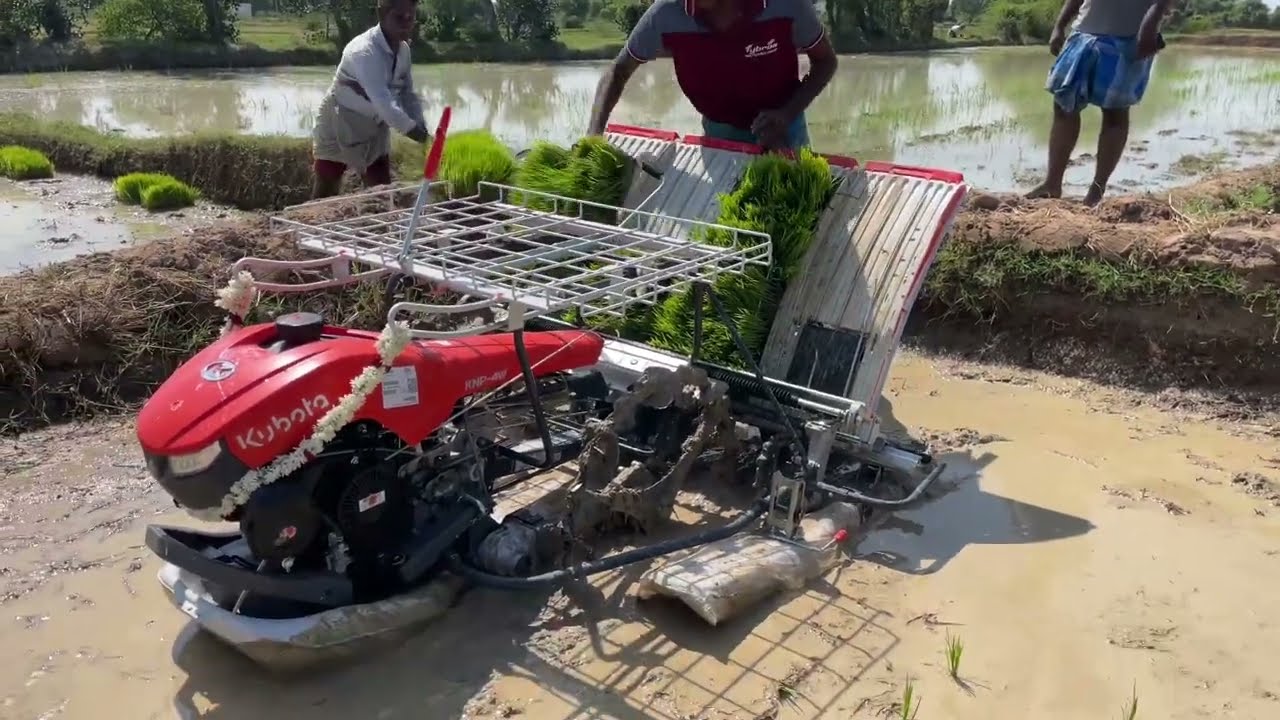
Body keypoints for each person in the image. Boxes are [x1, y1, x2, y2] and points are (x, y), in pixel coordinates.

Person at [587, 0, 838, 151]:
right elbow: (618, 71)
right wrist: (593, 135)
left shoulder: (785, 5)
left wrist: (787, 113)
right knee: (728, 215)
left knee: (798, 211)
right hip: (720, 131)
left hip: (785, 126)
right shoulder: (666, 14)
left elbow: (826, 61)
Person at [1025, 0, 1172, 206]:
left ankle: (1095, 192)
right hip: (1083, 33)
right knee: (1063, 105)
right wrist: (1060, 26)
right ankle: (1052, 184)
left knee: (1115, 114)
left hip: (1131, 37)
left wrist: (1152, 21)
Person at [310, 0, 430, 199]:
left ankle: (379, 227)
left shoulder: (403, 51)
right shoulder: (365, 52)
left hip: (375, 124)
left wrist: (420, 123)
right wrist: (415, 132)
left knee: (381, 188)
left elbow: (407, 94)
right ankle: (314, 228)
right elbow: (384, 103)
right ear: (382, 14)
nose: (406, 23)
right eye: (399, 17)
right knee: (327, 185)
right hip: (341, 119)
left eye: (411, 17)